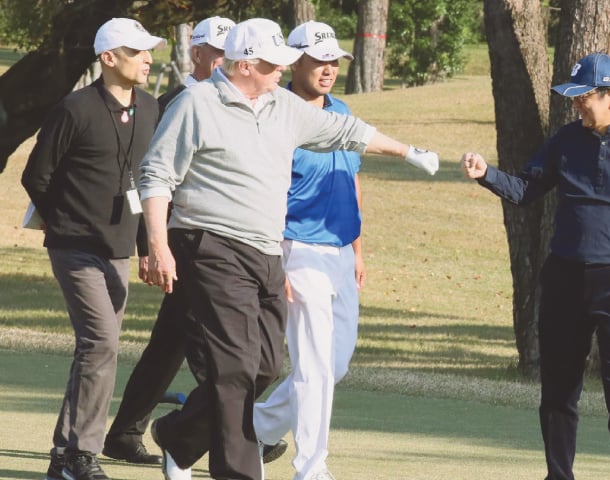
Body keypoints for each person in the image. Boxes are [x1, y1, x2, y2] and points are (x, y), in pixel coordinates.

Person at [138, 18, 438, 480]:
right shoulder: (196, 103)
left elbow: (348, 133)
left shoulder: (281, 106)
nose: (281, 70)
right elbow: (156, 176)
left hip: (265, 253)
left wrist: (409, 150)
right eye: (272, 64)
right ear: (243, 65)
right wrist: (158, 245)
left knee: (263, 367)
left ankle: (180, 437)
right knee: (237, 367)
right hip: (210, 244)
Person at [460, 53, 610, 480]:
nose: (576, 105)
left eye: (583, 97)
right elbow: (526, 189)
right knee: (558, 391)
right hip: (565, 278)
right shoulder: (565, 140)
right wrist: (487, 174)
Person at [20, 17, 165, 480]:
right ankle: (84, 453)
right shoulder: (75, 108)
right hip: (75, 247)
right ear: (108, 58)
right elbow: (35, 176)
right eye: (137, 51)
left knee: (95, 349)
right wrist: (65, 225)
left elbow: (146, 184)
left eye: (149, 51)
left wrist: (147, 246)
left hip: (119, 248)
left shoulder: (151, 108)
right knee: (101, 342)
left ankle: (63, 455)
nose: (147, 58)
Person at [100, 15, 235, 470]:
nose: (225, 60)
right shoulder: (174, 102)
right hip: (183, 242)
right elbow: (148, 178)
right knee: (206, 342)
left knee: (170, 344)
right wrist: (151, 243)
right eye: (217, 51)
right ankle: (232, 428)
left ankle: (123, 434)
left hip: (209, 240)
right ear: (196, 53)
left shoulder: (232, 101)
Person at [251, 21, 364, 480]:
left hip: (340, 253)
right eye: (319, 60)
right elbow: (264, 193)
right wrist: (276, 260)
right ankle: (312, 468)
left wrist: (359, 249)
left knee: (333, 366)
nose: (328, 69)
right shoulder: (275, 114)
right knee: (313, 368)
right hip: (297, 248)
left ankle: (246, 429)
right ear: (292, 62)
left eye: (334, 60)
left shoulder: (342, 111)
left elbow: (351, 181)